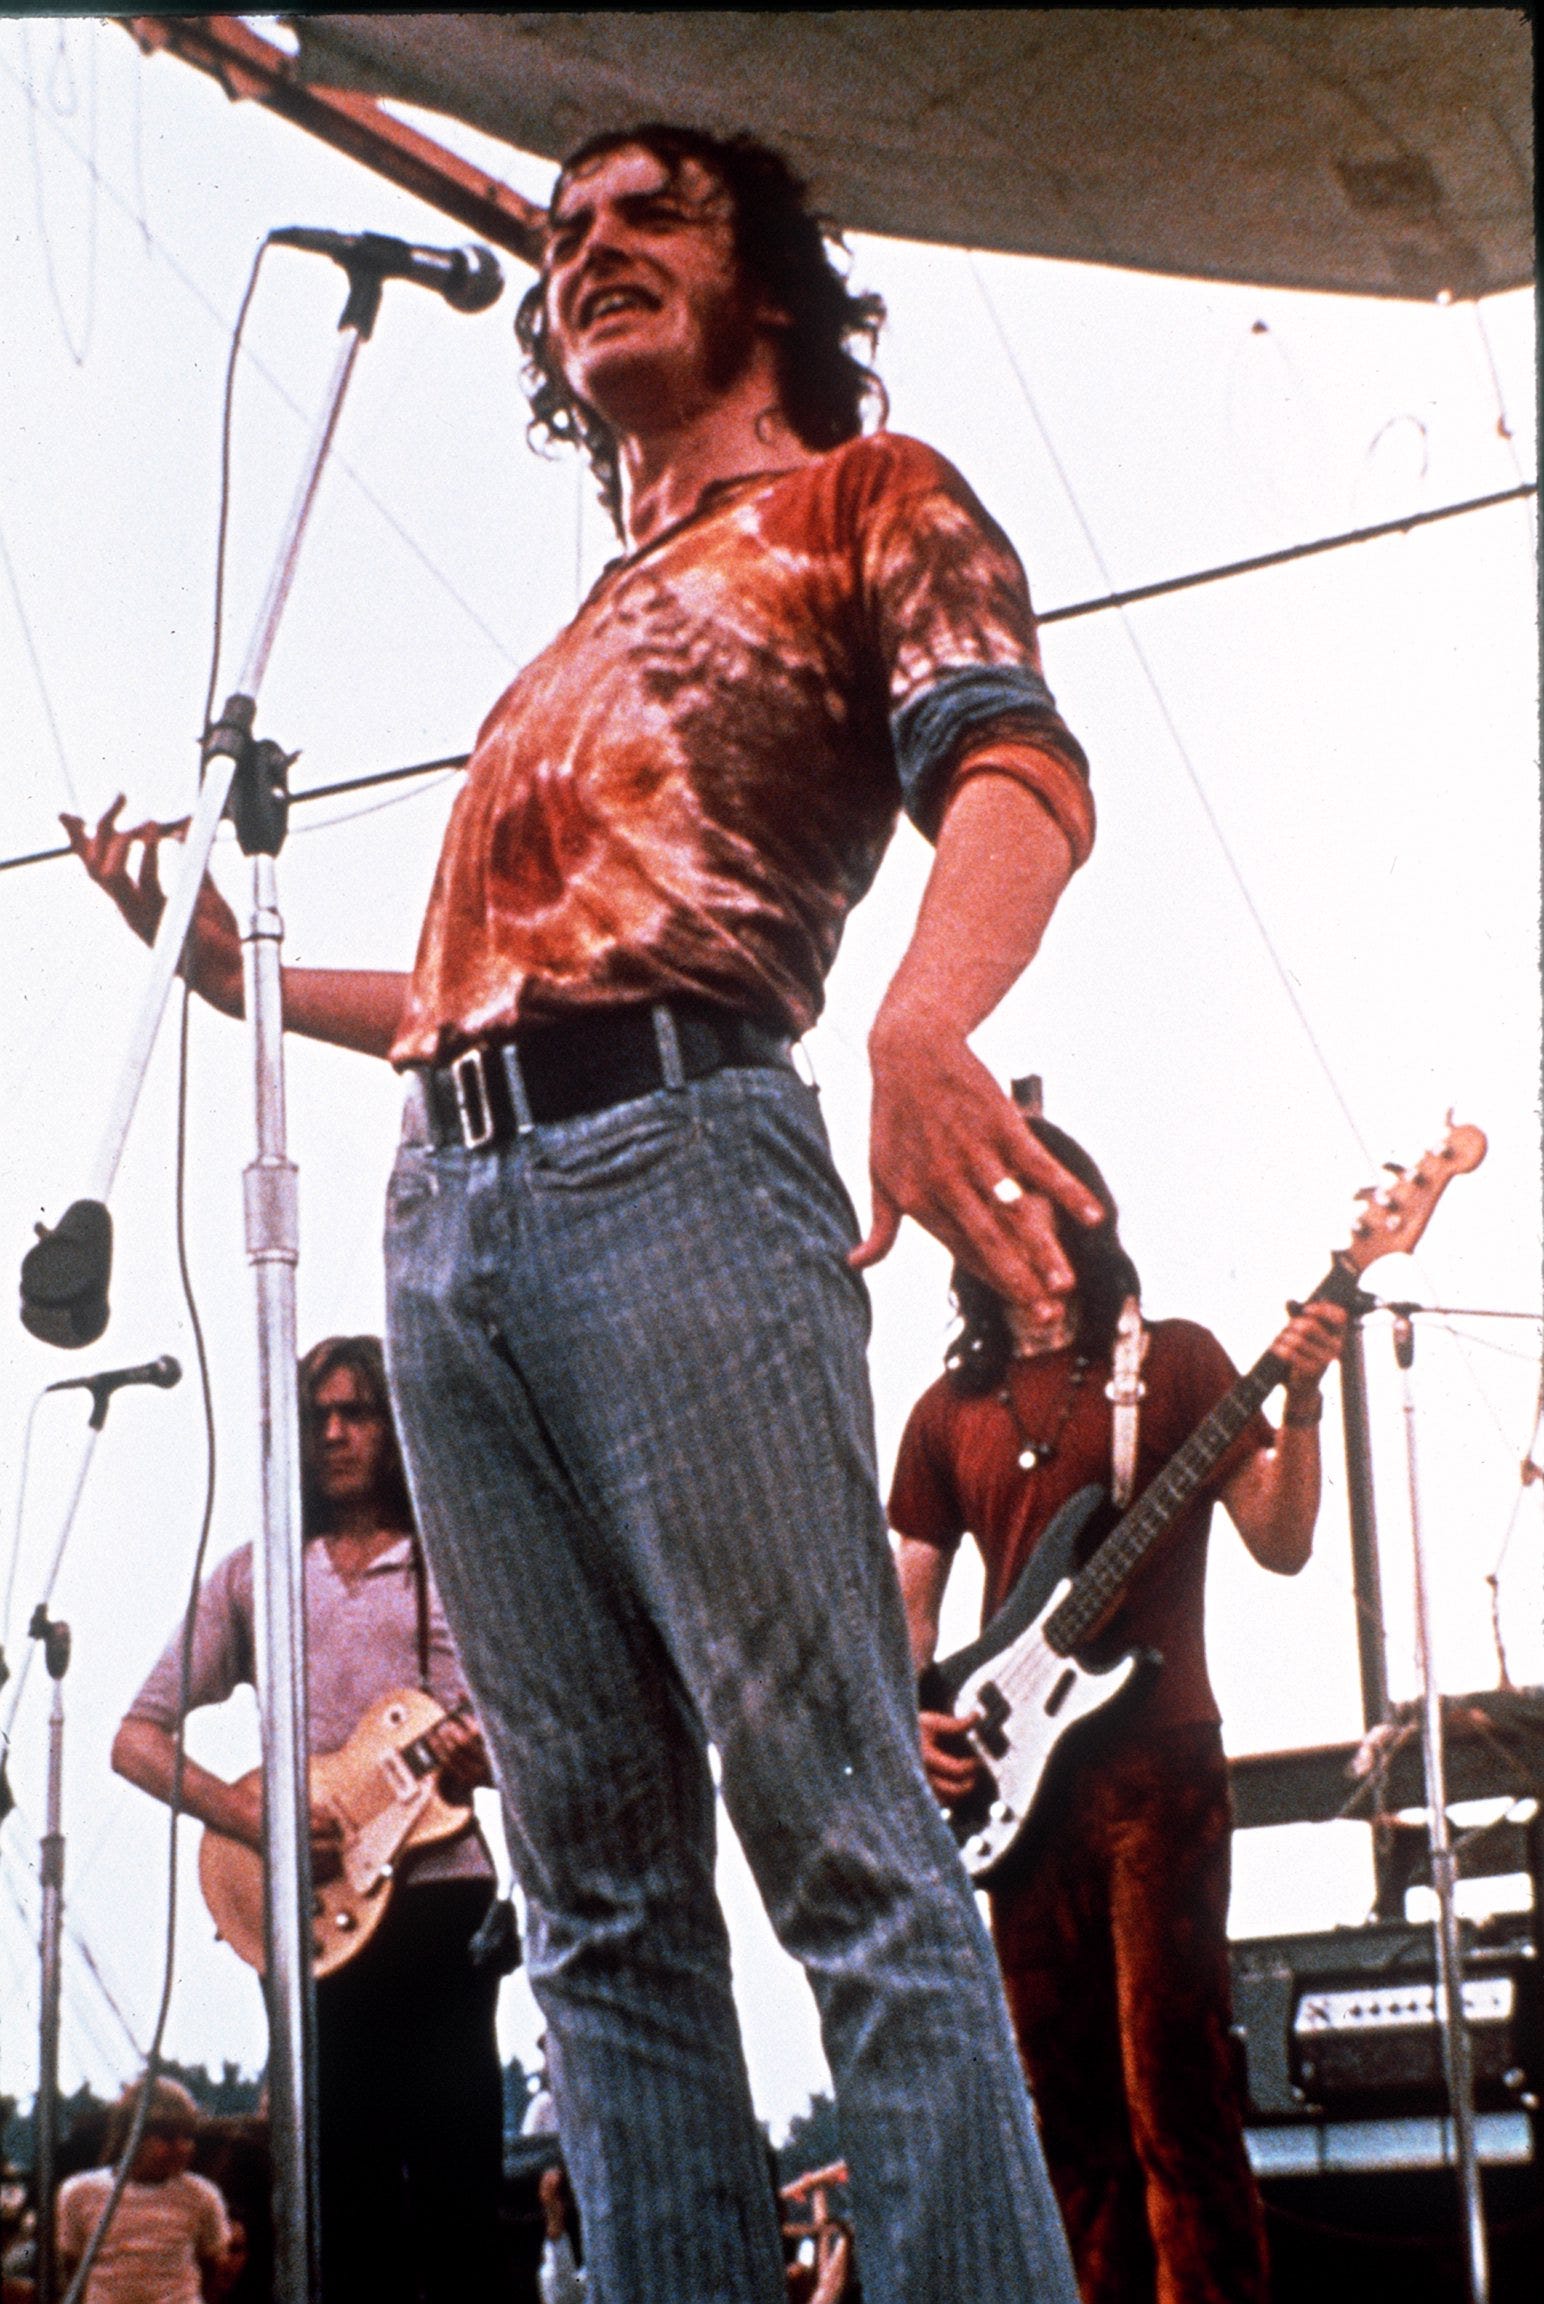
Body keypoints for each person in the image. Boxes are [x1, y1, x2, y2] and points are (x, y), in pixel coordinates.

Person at [66, 124, 1109, 2302]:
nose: (590, 244)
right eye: (561, 231)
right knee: (596, 1903)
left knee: (840, 1842)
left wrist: (923, 1026)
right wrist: (208, 954)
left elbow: (1015, 768)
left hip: (677, 1159)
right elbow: (462, 988)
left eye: (650, 213)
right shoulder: (582, 626)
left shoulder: (861, 500)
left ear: (770, 285)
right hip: (452, 1212)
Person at [888, 1116, 1347, 2304]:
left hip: (1160, 1775)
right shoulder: (945, 1412)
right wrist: (905, 1721)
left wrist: (1298, 1406)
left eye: (1017, 1196)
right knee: (1070, 2122)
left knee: (1174, 2103)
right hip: (1014, 1795)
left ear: (1074, 1208)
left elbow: (1281, 1542)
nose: (998, 1223)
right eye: (977, 1207)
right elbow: (907, 1614)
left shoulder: (1180, 1362)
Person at [109, 1337, 506, 2304]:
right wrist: (244, 1813)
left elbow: (538, 1735)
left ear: (396, 1425)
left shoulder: (464, 1560)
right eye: (318, 1413)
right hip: (310, 1915)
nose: (335, 1431)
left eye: (358, 1411)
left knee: (460, 2180)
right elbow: (136, 1737)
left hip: (444, 1895)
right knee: (339, 2187)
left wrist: (489, 1760)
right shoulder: (260, 1576)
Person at [54, 2078, 235, 2304]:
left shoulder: (201, 2194)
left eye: (188, 2136)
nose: (182, 2147)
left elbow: (212, 2262)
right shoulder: (80, 2192)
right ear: (131, 2136)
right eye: (168, 2137)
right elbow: (72, 2264)